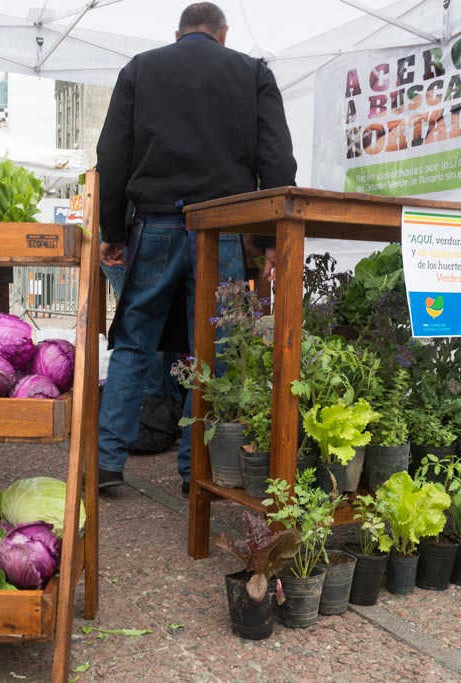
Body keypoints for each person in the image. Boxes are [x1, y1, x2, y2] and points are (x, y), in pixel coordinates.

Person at [96, 2, 297, 494]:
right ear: (223, 34)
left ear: (179, 32)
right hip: (222, 229)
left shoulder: (140, 69)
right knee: (215, 351)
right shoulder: (253, 74)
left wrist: (112, 231)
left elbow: (112, 154)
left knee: (133, 341)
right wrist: (270, 241)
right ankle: (197, 471)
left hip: (156, 224)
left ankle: (105, 463)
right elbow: (276, 160)